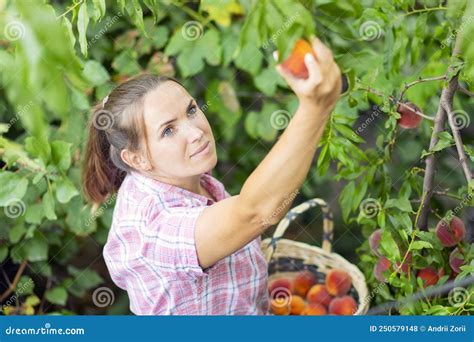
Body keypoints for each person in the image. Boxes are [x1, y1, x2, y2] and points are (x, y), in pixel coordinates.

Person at [82, 37, 341, 315]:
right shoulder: (151, 229)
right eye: (168, 130)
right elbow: (254, 213)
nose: (196, 132)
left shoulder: (184, 176)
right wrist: (316, 108)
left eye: (191, 110)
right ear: (136, 159)